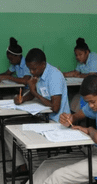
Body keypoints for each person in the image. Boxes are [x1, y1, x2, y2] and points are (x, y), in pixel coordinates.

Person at [6, 48, 69, 177]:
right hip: (42, 117)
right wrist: (22, 99)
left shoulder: (54, 76)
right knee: (8, 128)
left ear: (43, 65)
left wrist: (34, 92)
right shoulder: (39, 74)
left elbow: (55, 107)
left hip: (56, 120)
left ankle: (35, 175)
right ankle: (23, 167)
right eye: (29, 69)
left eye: (34, 69)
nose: (31, 72)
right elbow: (35, 93)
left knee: (25, 135)